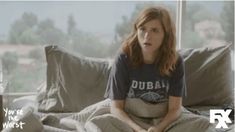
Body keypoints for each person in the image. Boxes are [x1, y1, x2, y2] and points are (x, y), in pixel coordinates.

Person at [105, 6, 186, 132]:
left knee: (204, 124)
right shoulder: (123, 58)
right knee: (98, 123)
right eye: (142, 29)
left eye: (155, 30)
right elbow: (116, 108)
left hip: (163, 119)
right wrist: (138, 130)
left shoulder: (176, 61)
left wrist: (158, 129)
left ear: (166, 34)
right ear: (136, 31)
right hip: (129, 117)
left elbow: (175, 109)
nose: (147, 36)